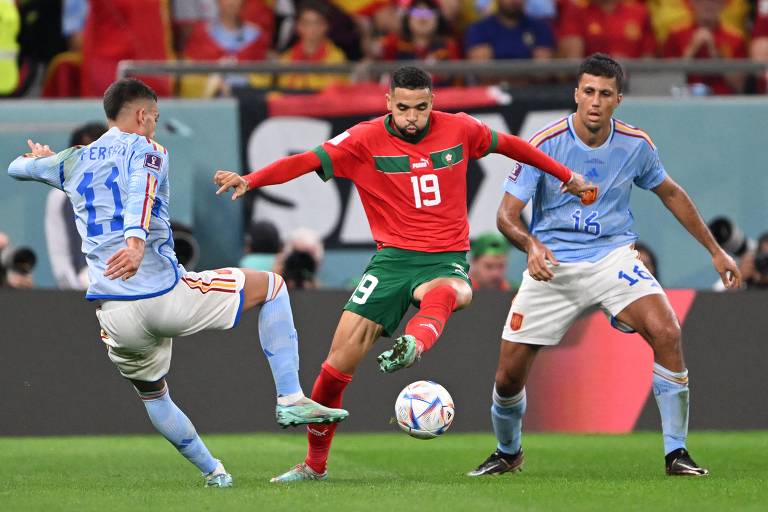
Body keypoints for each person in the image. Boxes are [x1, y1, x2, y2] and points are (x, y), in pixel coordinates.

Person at [213, 65, 595, 483]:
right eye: (403, 108)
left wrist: (567, 176)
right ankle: (314, 466)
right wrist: (251, 179)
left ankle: (417, 340)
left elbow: (515, 147)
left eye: (421, 107)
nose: (412, 117)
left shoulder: (461, 129)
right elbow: (305, 161)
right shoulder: (362, 139)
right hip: (391, 261)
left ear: (433, 102)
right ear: (388, 103)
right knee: (333, 369)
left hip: (445, 255)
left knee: (452, 289)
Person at [7, 77, 348, 488]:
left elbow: (16, 167)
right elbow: (141, 191)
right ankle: (290, 398)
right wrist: (135, 242)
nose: (155, 124)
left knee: (153, 394)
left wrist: (42, 160)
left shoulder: (74, 159)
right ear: (141, 114)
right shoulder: (149, 150)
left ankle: (214, 472)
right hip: (164, 292)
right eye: (154, 116)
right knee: (273, 286)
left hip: (116, 313)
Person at [467, 54, 741, 479]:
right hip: (553, 264)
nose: (595, 101)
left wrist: (715, 251)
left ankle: (676, 453)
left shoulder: (636, 145)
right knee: (507, 378)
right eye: (588, 92)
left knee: (667, 330)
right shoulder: (544, 143)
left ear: (618, 100)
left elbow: (670, 193)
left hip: (613, 258)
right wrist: (531, 244)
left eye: (605, 94)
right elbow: (506, 214)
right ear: (576, 94)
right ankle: (508, 451)